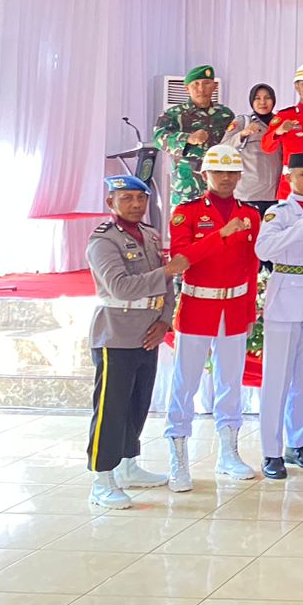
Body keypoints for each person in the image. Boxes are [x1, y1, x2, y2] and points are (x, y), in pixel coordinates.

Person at [164, 144, 261, 491]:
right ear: (205, 174)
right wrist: (220, 235)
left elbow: (251, 265)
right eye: (218, 172)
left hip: (234, 308)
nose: (225, 178)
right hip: (198, 305)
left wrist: (249, 309)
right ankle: (178, 456)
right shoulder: (186, 212)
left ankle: (229, 453)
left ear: (240, 175)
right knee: (185, 382)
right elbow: (181, 258)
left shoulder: (250, 215)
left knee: (230, 382)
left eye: (231, 172)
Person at [84, 175, 184, 509]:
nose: (135, 205)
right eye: (126, 198)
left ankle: (127, 465)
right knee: (111, 409)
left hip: (149, 331)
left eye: (140, 198)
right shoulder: (104, 240)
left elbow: (167, 288)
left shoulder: (150, 235)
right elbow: (120, 287)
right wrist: (167, 271)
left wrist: (164, 321)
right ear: (110, 202)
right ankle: (102, 479)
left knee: (137, 404)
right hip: (116, 333)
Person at [253, 154, 303, 478]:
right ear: (289, 177)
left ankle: (298, 443)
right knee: (277, 377)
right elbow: (264, 250)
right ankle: (271, 450)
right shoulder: (279, 212)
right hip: (285, 295)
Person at [153, 63, 236, 206]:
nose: (201, 89)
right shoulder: (174, 114)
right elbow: (158, 138)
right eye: (195, 84)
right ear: (187, 89)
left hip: (219, 186)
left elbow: (233, 143)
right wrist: (188, 138)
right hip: (187, 186)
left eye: (206, 83)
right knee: (184, 220)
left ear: (214, 86)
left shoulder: (225, 115)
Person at [259, 63, 303, 199]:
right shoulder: (284, 116)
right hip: (290, 187)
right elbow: (266, 147)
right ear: (296, 86)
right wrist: (278, 131)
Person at [223, 83, 282, 214]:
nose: (263, 102)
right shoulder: (242, 121)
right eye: (257, 98)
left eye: (267, 98)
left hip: (275, 195)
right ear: (251, 101)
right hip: (249, 194)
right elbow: (223, 148)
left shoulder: (280, 122)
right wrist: (242, 134)